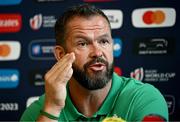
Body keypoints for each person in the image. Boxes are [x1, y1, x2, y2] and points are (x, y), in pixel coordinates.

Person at [20, 4, 168, 122]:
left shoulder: (144, 99)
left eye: (103, 41)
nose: (97, 52)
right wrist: (52, 110)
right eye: (83, 44)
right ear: (61, 54)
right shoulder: (39, 112)